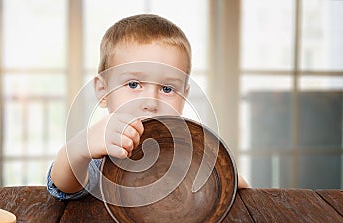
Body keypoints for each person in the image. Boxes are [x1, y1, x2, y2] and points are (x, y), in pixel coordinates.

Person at [47, 14, 249, 200]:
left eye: (167, 89)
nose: (151, 103)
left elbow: (243, 195)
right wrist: (81, 146)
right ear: (103, 91)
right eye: (133, 84)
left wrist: (227, 179)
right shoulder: (103, 151)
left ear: (184, 96)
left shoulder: (191, 155)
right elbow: (63, 186)